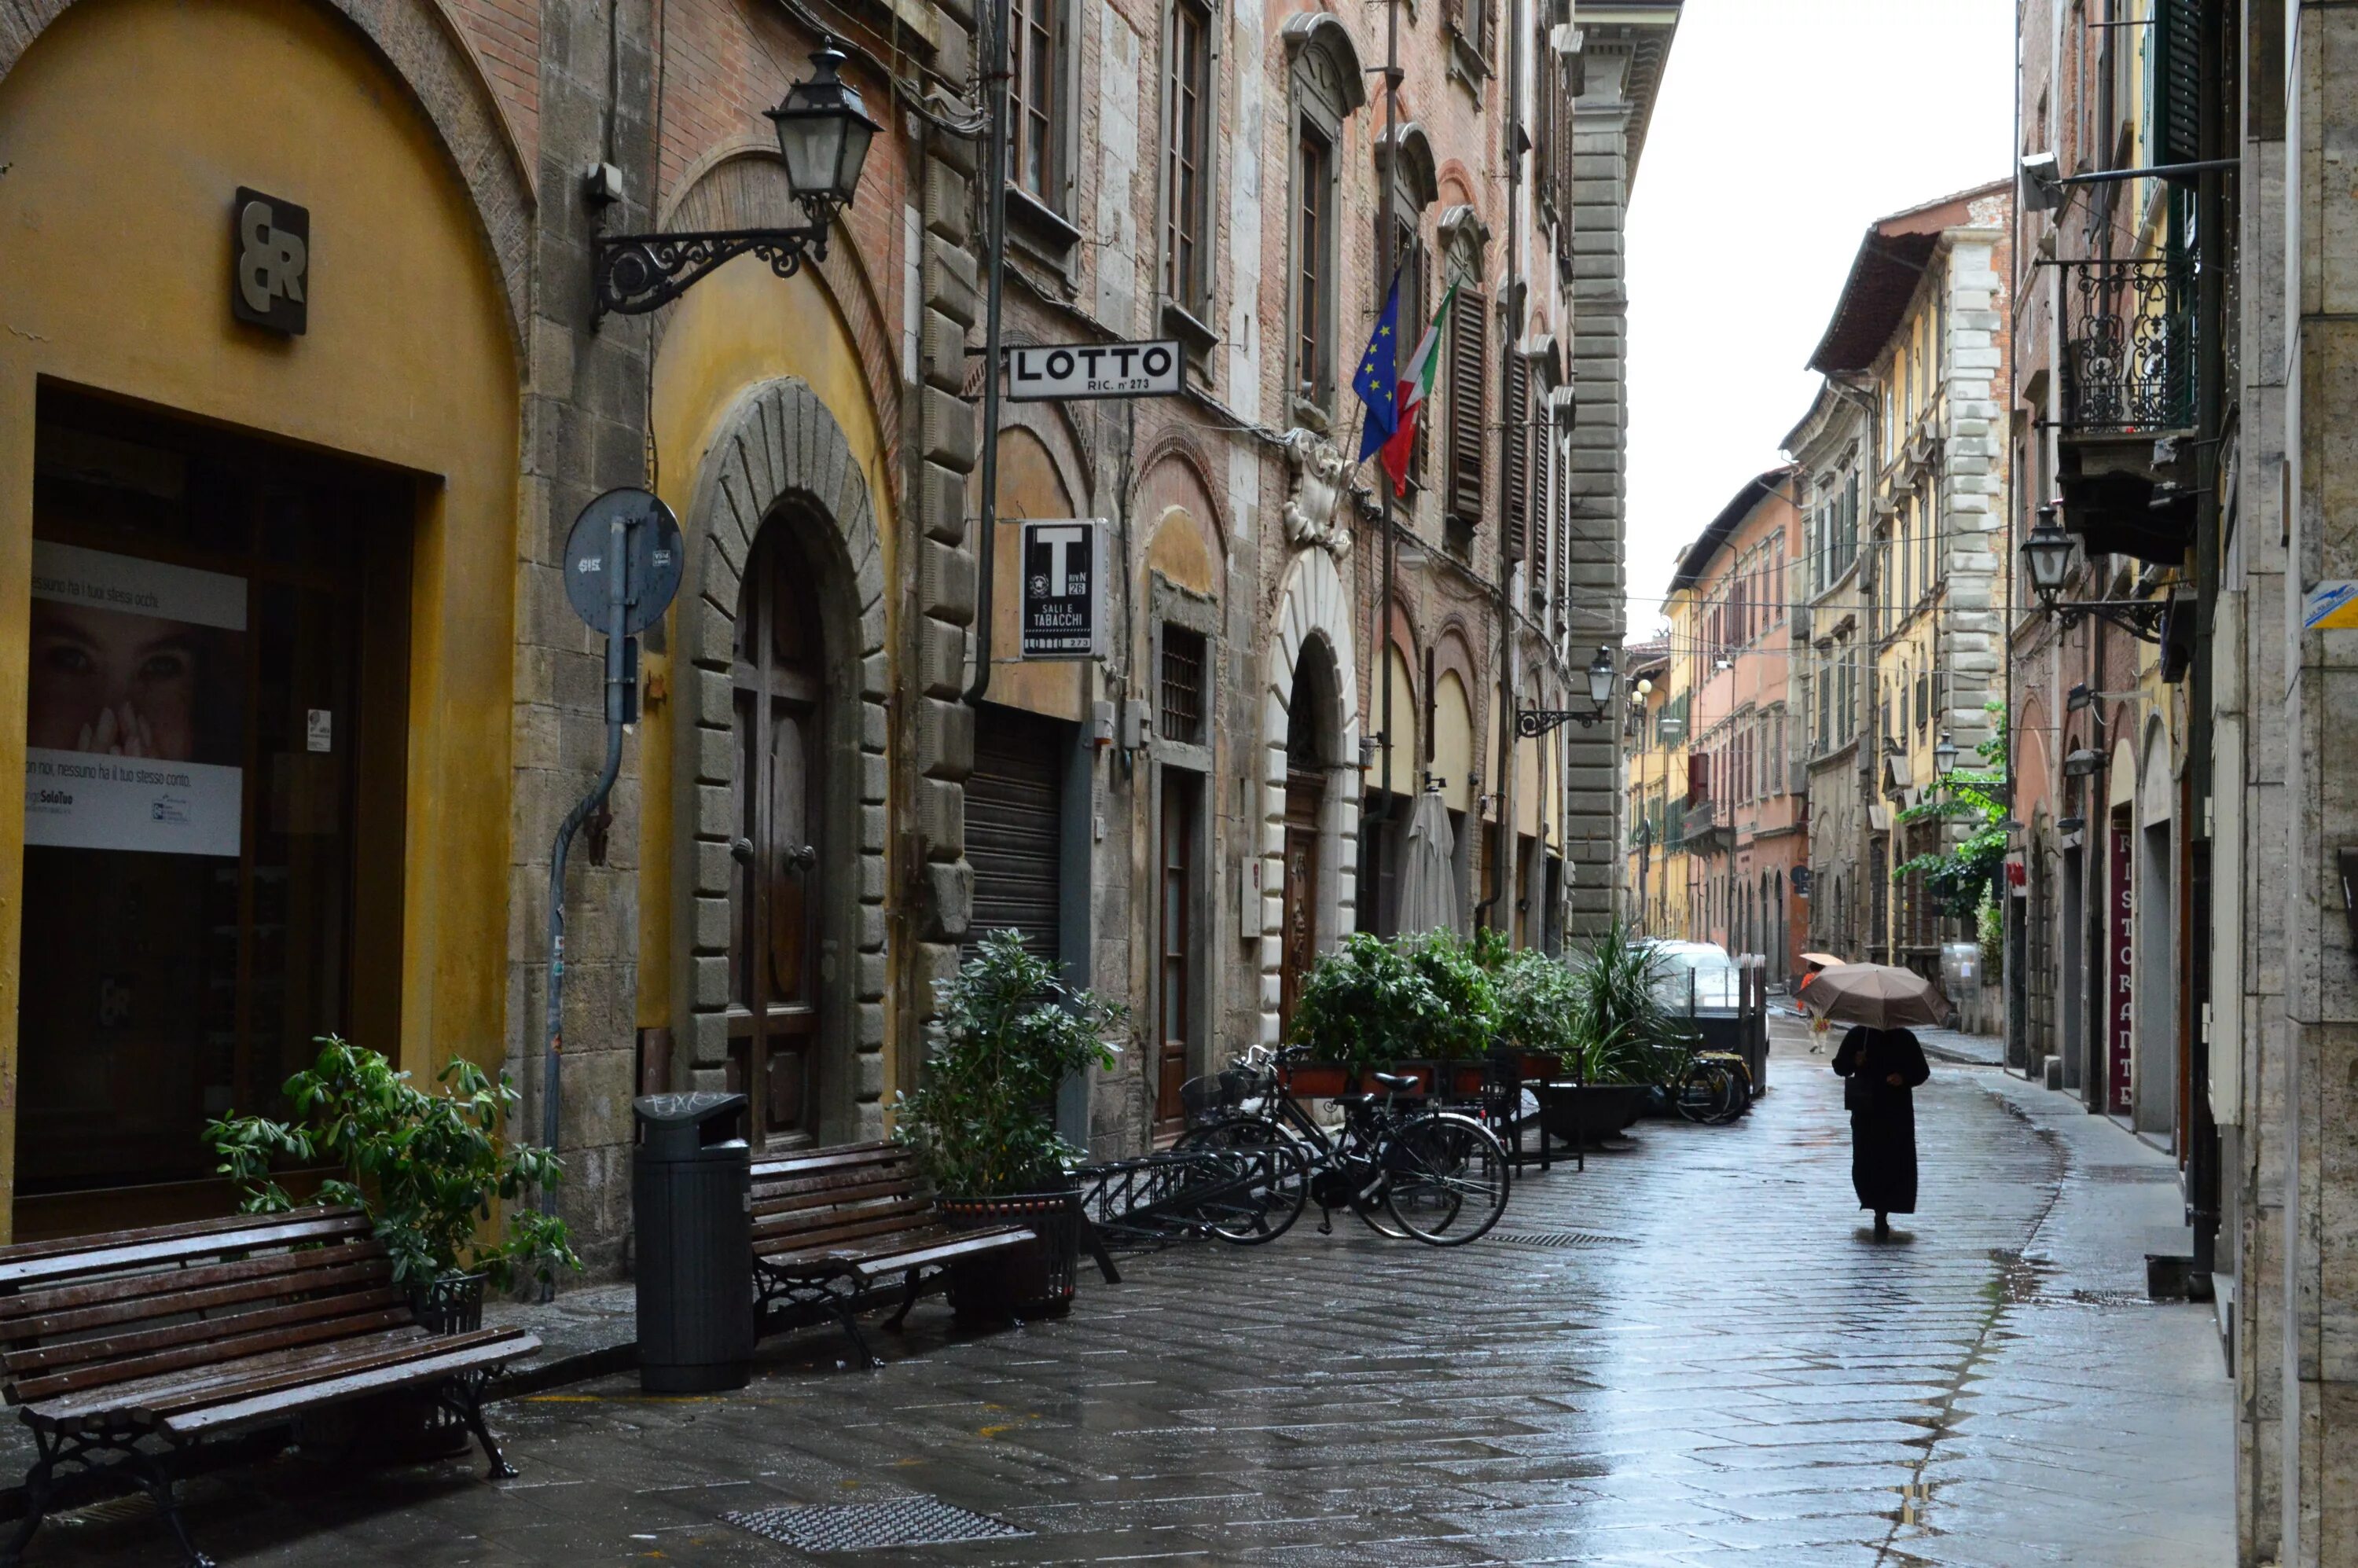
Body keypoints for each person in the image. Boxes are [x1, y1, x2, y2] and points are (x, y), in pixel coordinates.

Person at [1831, 1024, 1930, 1240]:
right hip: (1867, 1111)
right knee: (1868, 1160)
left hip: (1897, 1113)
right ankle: (1875, 1204)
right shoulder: (1860, 1035)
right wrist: (1854, 1061)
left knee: (1894, 1161)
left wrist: (1903, 1078)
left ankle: (1883, 1209)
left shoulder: (1905, 1038)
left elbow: (1922, 1071)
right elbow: (1840, 1067)